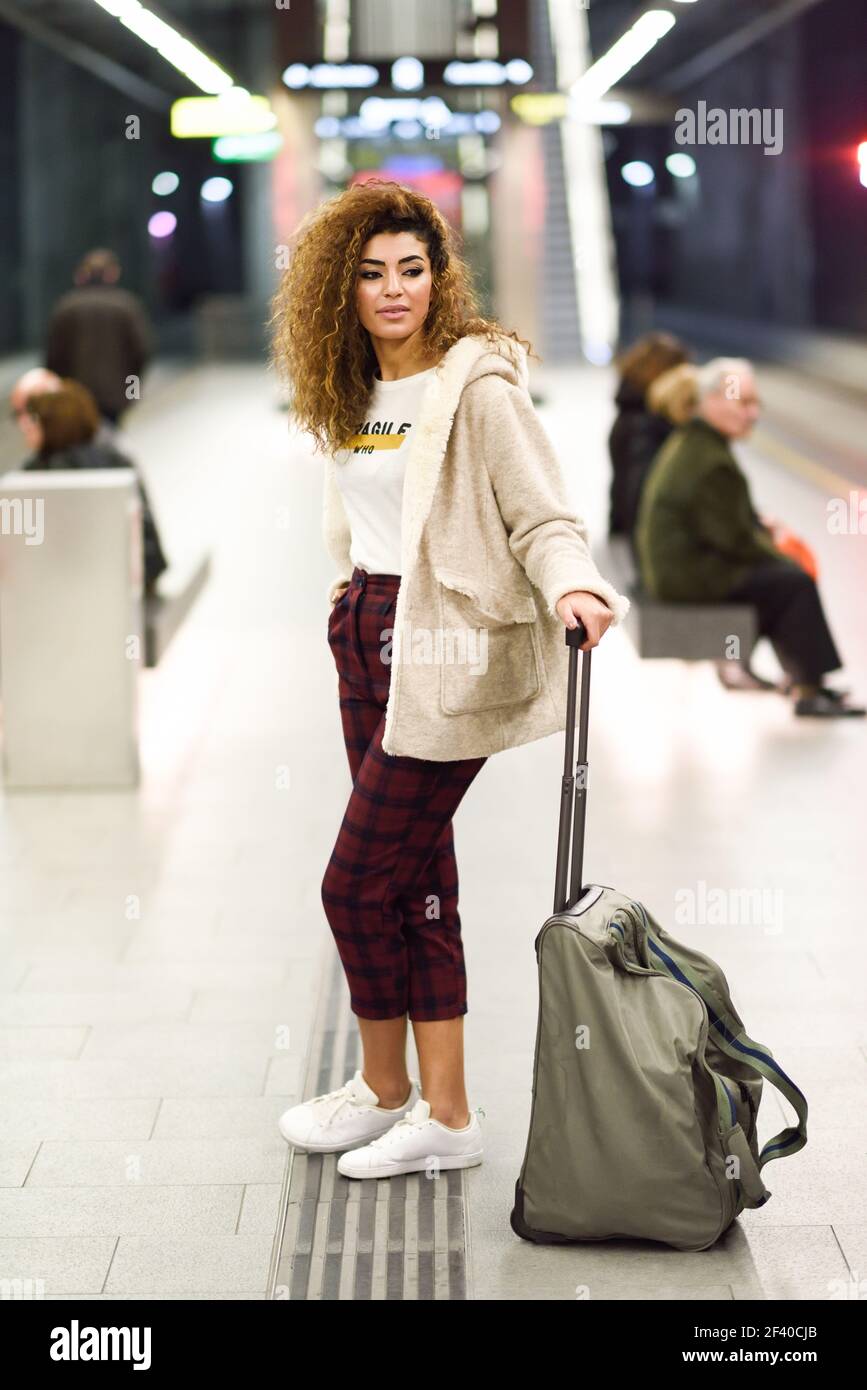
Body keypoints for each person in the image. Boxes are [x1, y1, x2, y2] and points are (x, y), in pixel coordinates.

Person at [269, 178, 630, 1180]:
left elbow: (542, 515)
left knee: (354, 883)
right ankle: (445, 1113)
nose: (394, 290)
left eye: (413, 271)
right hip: (365, 629)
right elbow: (364, 513)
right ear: (345, 286)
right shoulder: (349, 389)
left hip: (442, 651)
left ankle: (392, 1091)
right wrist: (349, 596)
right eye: (374, 272)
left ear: (439, 280)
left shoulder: (476, 388)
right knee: (420, 882)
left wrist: (576, 586)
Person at [634, 357, 864, 718]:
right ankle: (809, 688)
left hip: (681, 566)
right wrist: (783, 555)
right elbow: (737, 542)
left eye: (756, 404)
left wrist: (759, 527)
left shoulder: (698, 443)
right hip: (685, 577)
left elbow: (724, 519)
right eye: (742, 403)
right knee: (792, 580)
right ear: (709, 401)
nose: (753, 413)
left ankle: (804, 681)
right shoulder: (711, 460)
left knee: (781, 579)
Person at [15, 377, 168, 592]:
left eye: (30, 415)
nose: (23, 425)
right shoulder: (104, 448)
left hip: (112, 583)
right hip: (130, 575)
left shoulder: (60, 468)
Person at [45, 248, 153, 425]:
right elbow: (141, 353)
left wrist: (61, 392)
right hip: (115, 397)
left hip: (76, 396)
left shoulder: (66, 307)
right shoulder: (126, 306)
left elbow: (54, 358)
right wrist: (132, 394)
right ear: (112, 274)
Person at [608, 331, 690, 543]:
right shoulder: (648, 424)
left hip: (622, 528)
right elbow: (640, 496)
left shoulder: (629, 411)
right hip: (640, 539)